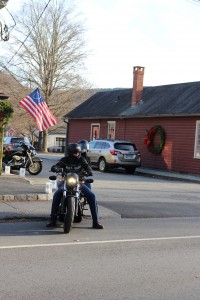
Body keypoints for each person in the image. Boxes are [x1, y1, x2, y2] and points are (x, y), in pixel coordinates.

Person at [46, 143, 104, 229]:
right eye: (75, 152)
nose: (77, 153)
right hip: (66, 182)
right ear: (70, 152)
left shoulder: (82, 160)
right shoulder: (64, 160)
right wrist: (55, 167)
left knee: (92, 195)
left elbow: (87, 166)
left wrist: (89, 171)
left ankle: (96, 221)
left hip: (79, 183)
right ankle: (52, 220)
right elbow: (58, 165)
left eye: (78, 152)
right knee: (57, 194)